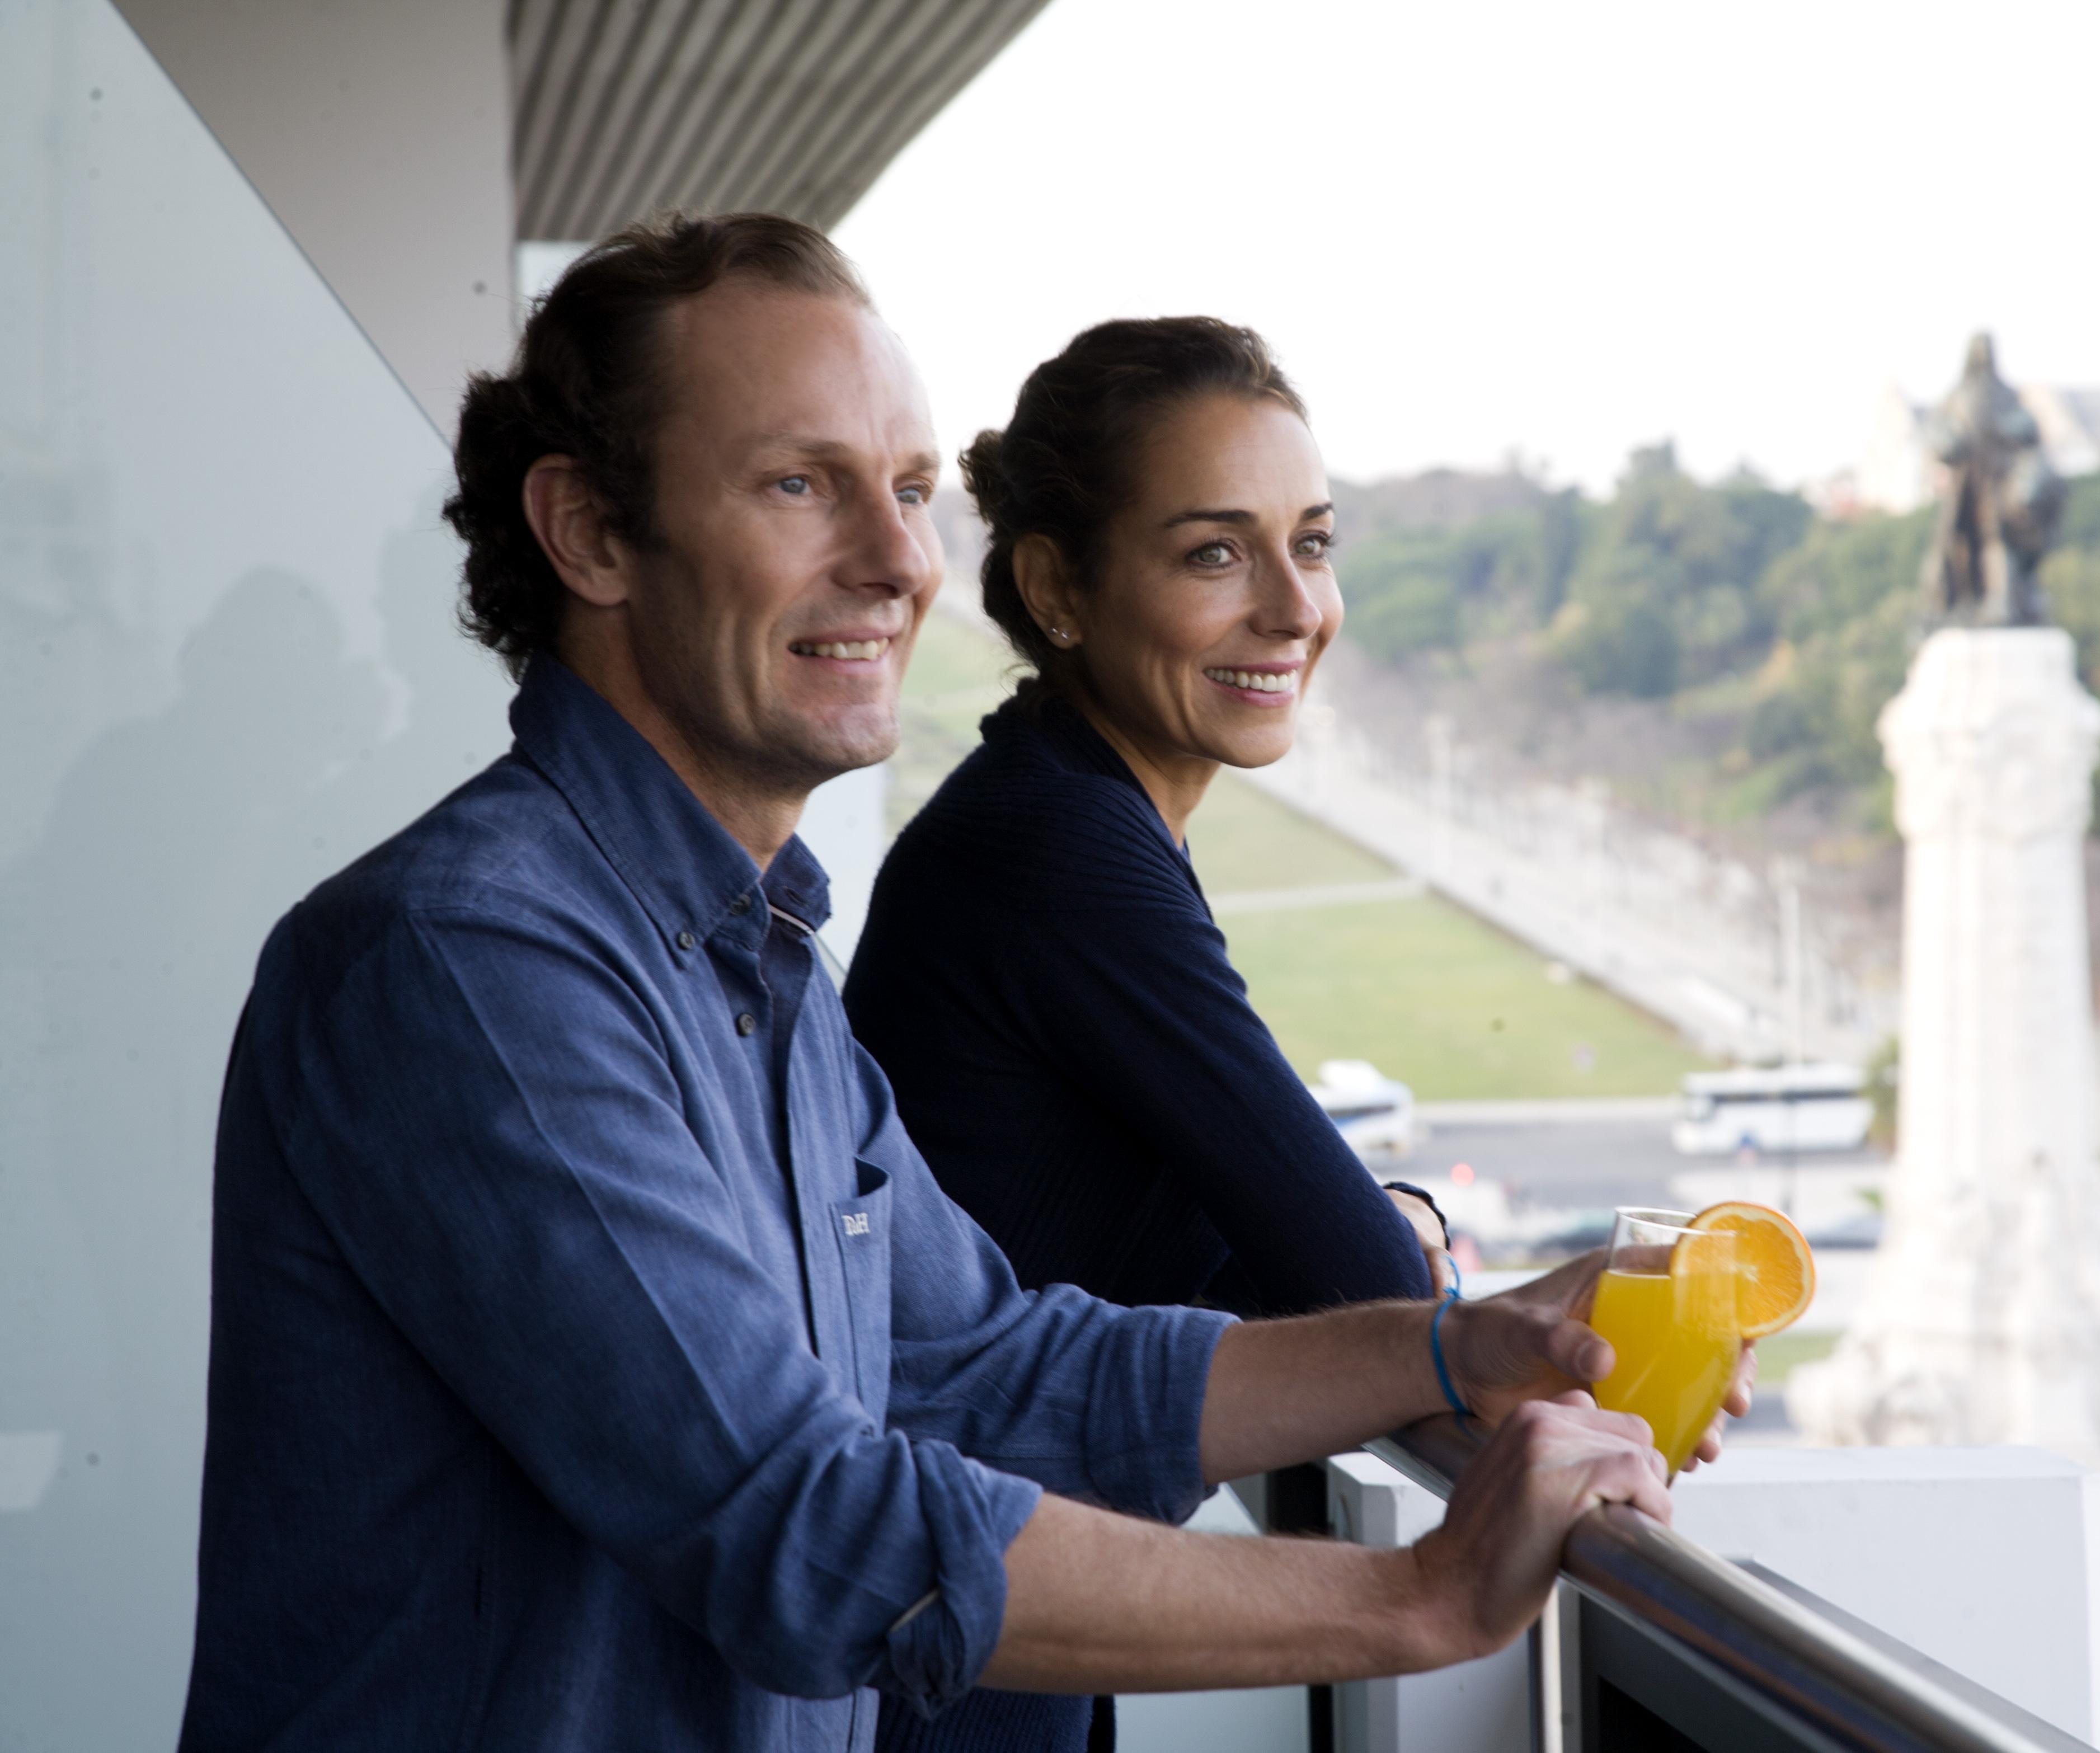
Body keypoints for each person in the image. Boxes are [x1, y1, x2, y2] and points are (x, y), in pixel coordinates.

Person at [178, 213, 1712, 1753]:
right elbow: (802, 1524)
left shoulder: (758, 959)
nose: (900, 560)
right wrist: (1422, 1598)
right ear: (586, 534)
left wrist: (1451, 1343)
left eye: (907, 491)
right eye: (801, 483)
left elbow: (991, 1363)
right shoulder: (469, 961)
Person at [843, 318, 1454, 1752]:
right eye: (1214, 553)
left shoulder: (1061, 807)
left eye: (1313, 542)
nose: (1294, 606)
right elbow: (1354, 1271)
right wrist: (1394, 1239)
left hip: (987, 1619)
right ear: (1057, 585)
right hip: (950, 1650)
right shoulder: (1064, 847)